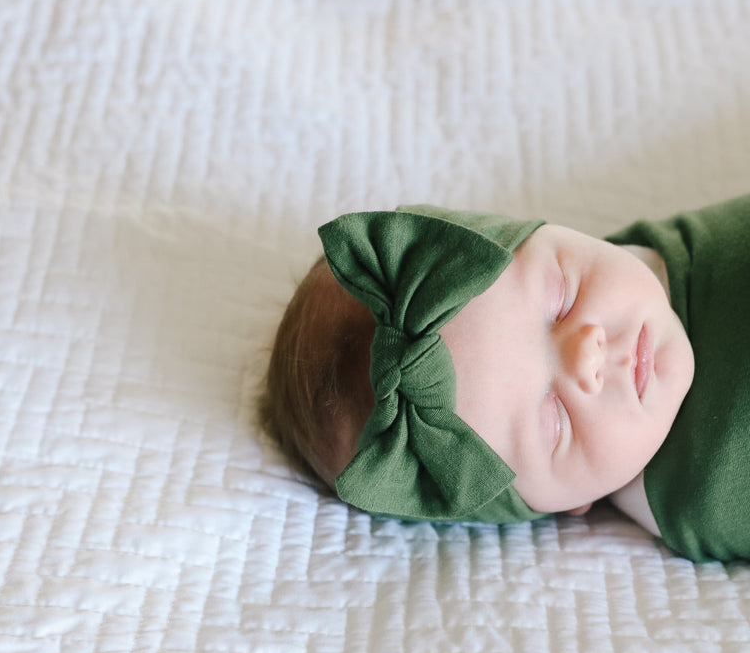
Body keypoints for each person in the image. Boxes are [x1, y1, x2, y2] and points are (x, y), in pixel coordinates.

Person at [260, 196, 750, 562]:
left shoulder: (672, 253)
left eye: (562, 296)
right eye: (555, 423)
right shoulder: (699, 501)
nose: (588, 356)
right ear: (568, 504)